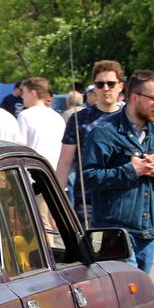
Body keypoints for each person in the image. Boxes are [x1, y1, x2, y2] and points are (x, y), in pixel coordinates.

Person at [80, 69, 154, 272]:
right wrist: (130, 170)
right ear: (134, 97)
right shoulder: (104, 132)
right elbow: (87, 178)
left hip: (147, 233)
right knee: (126, 293)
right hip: (114, 234)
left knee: (140, 296)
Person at [57, 61, 126, 225]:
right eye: (100, 84)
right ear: (94, 87)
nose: (106, 88)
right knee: (89, 250)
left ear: (120, 86)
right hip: (87, 201)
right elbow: (65, 163)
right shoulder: (79, 119)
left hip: (123, 200)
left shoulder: (129, 119)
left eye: (111, 84)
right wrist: (58, 206)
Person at [16, 76, 63, 165]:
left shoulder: (25, 115)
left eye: (24, 92)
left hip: (32, 171)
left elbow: (19, 147)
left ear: (33, 93)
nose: (22, 96)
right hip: (53, 172)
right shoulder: (58, 117)